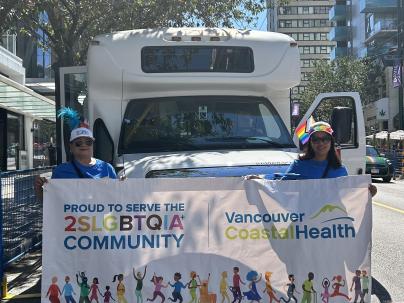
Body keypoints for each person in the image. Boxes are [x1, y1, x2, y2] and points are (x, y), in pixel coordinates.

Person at [245, 121, 377, 196]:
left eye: (325, 139)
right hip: (304, 225)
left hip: (329, 227)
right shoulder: (299, 165)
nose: (321, 143)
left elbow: (349, 196)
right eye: (315, 139)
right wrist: (261, 180)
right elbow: (281, 186)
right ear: (310, 142)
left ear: (331, 142)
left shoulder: (339, 169)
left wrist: (367, 193)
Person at [35, 109, 117, 201]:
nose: (84, 145)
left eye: (88, 142)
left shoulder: (107, 168)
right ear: (71, 147)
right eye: (78, 143)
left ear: (93, 145)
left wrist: (126, 186)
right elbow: (53, 204)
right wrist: (39, 190)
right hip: (72, 216)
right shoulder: (60, 171)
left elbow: (117, 198)